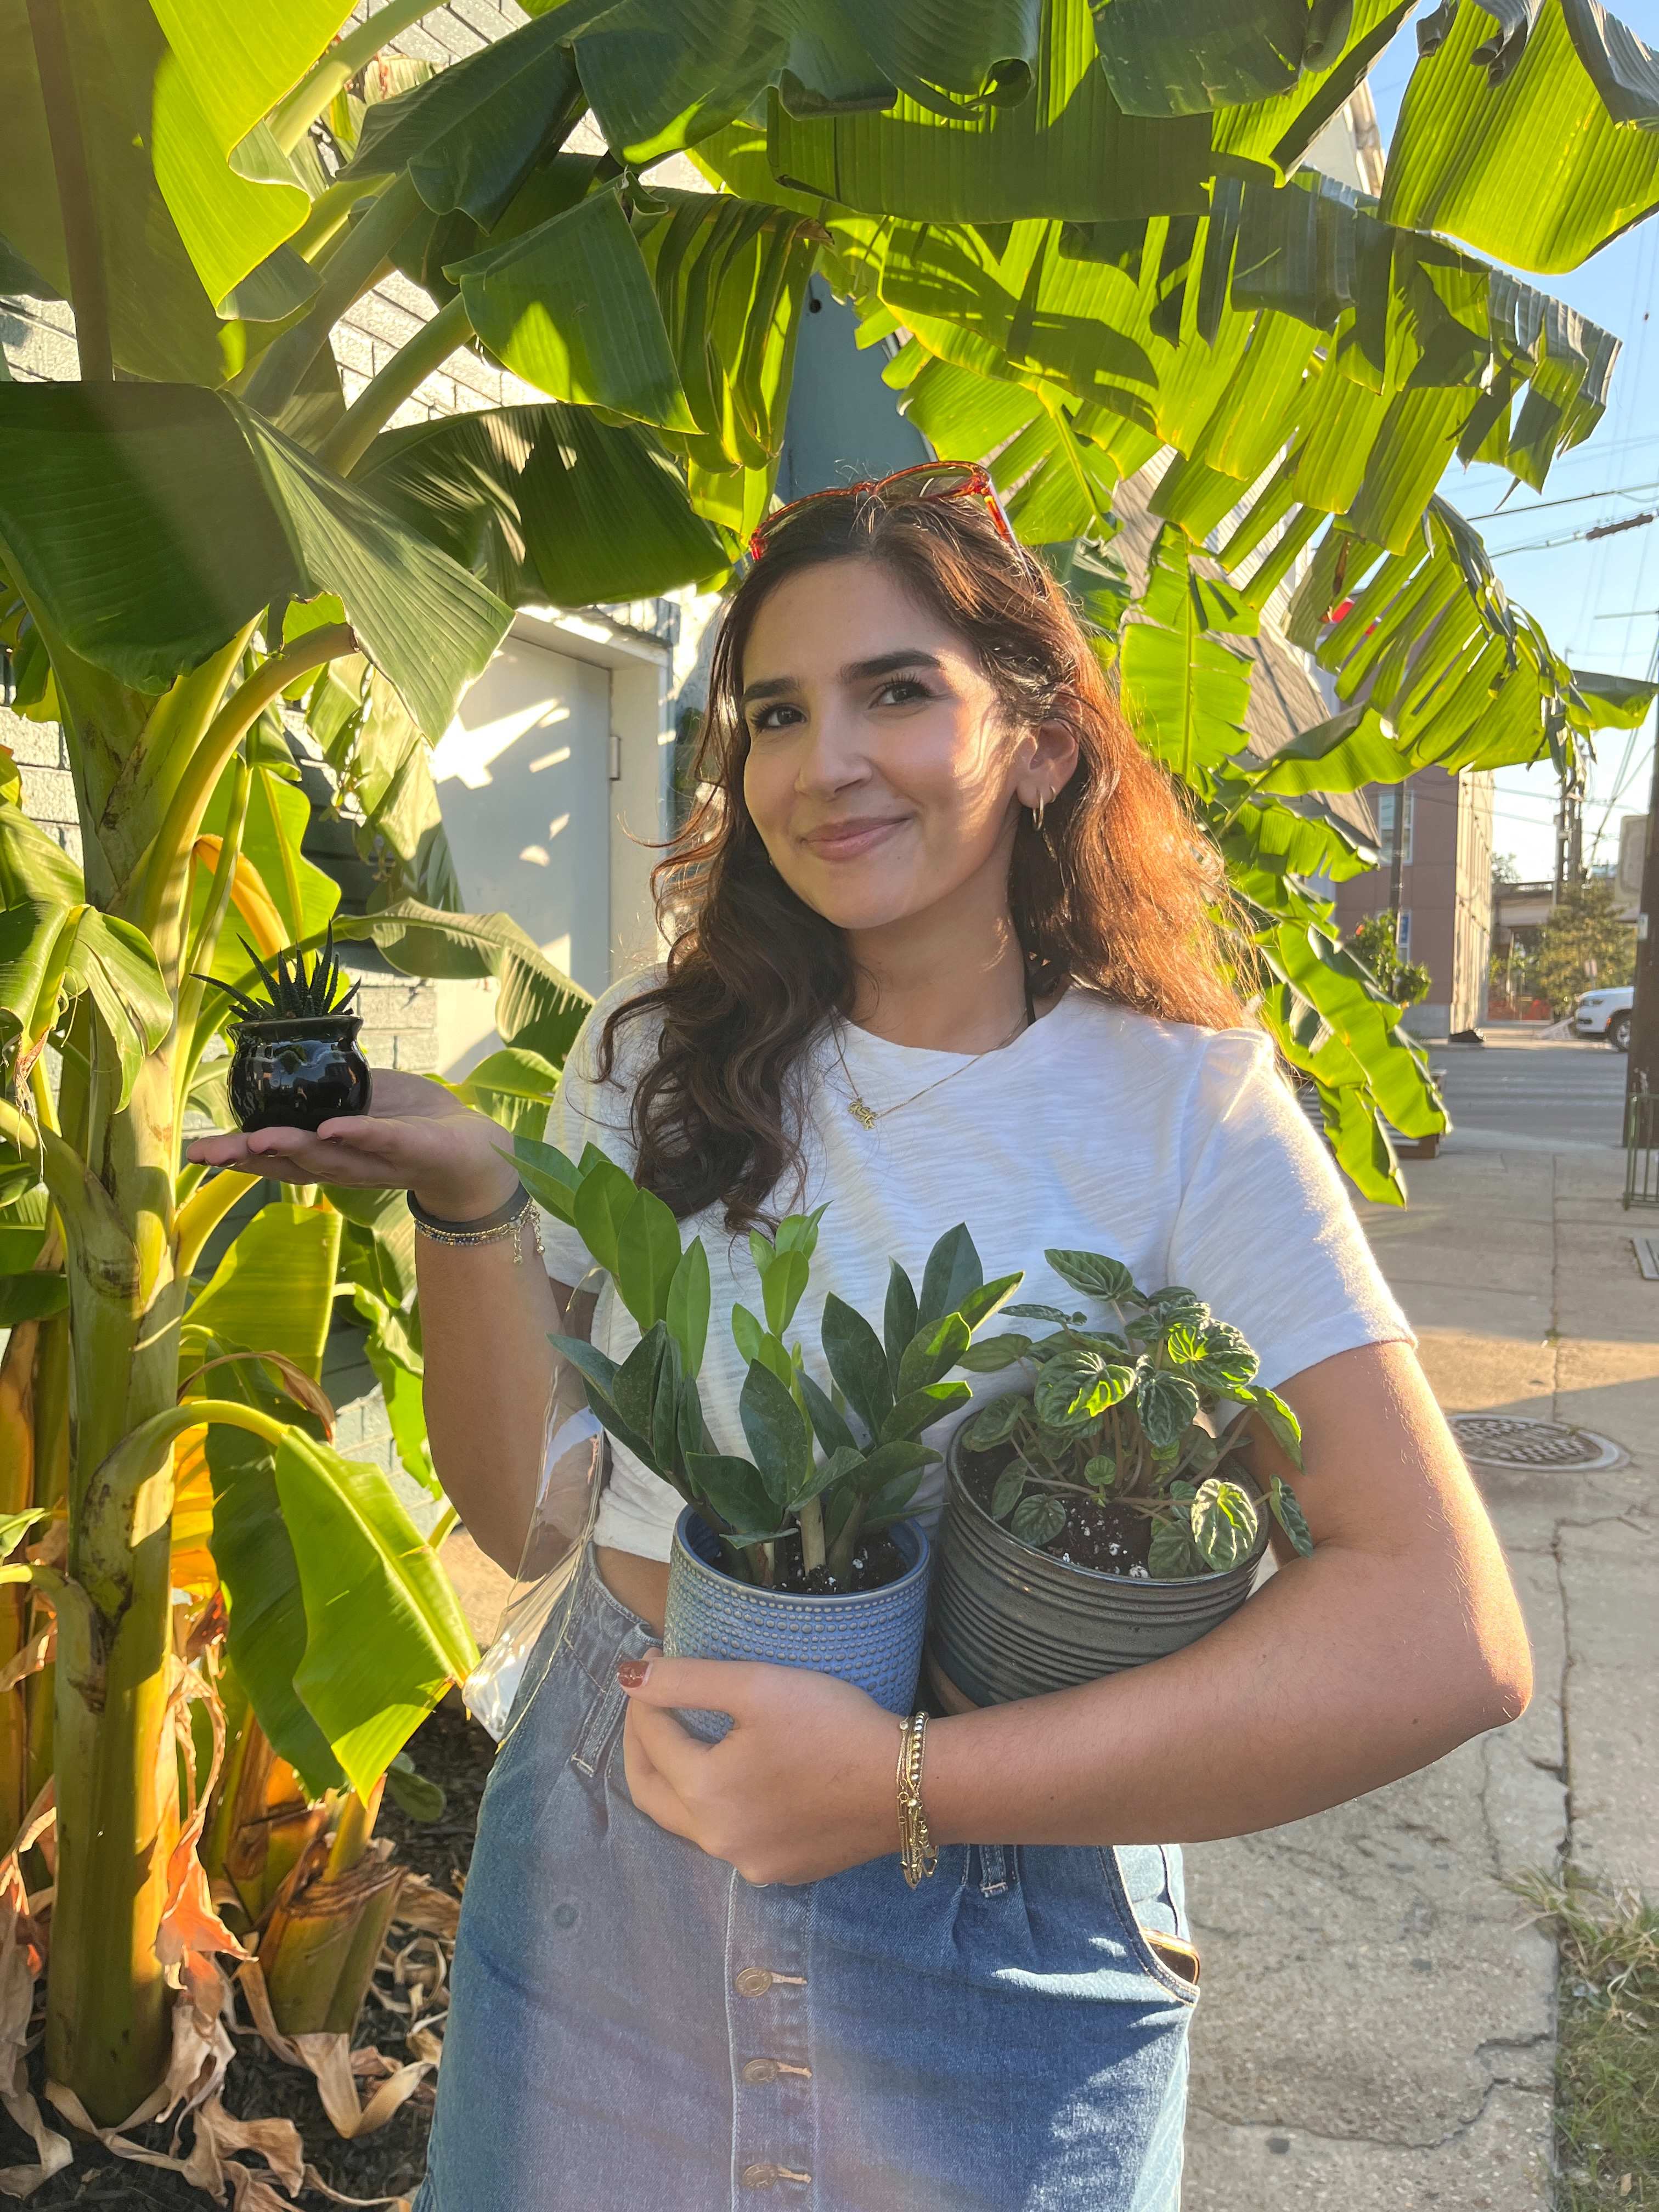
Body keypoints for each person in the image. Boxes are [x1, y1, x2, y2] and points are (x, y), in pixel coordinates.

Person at [190, 464, 1532, 2210]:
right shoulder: (654, 1052)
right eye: (775, 713)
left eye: (899, 692)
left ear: (1040, 738)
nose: (825, 763)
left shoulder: (1185, 1110)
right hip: (619, 1830)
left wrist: (910, 1785)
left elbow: (1443, 1630)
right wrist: (467, 1204)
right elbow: (526, 1516)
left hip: (995, 1878)